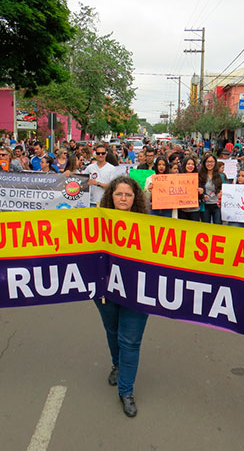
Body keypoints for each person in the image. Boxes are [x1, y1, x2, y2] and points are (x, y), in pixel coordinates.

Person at [95, 175, 150, 417]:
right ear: (111, 196)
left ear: (136, 198)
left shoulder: (150, 226)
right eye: (119, 194)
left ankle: (126, 391)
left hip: (138, 292)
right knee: (113, 331)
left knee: (130, 341)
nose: (124, 198)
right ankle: (117, 365)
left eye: (128, 194)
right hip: (105, 291)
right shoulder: (97, 222)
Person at [198, 154, 223, 224]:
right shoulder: (200, 175)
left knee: (218, 225)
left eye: (211, 162)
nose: (209, 164)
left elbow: (226, 188)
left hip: (217, 205)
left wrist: (221, 192)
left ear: (215, 163)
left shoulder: (221, 176)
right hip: (205, 205)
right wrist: (202, 195)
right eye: (208, 161)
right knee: (206, 226)